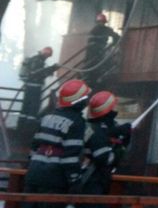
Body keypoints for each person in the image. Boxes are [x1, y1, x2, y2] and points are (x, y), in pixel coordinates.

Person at [23, 79, 91, 207]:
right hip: (55, 178)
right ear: (79, 101)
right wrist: (75, 180)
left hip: (34, 174)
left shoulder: (46, 117)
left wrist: (31, 169)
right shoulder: (77, 122)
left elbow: (34, 148)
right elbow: (70, 157)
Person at [80, 91, 131, 205]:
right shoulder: (94, 130)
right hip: (91, 180)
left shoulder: (97, 128)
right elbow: (105, 158)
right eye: (112, 108)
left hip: (98, 179)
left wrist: (123, 137)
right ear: (107, 111)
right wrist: (121, 149)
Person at [18, 47, 59, 124]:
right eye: (48, 56)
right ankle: (30, 126)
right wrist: (53, 68)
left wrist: (51, 69)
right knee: (34, 106)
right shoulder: (38, 60)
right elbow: (39, 73)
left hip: (29, 85)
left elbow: (38, 72)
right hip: (35, 86)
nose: (47, 58)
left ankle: (21, 124)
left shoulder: (34, 58)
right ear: (45, 54)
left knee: (26, 106)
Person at [83, 13, 120, 88]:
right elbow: (90, 39)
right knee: (89, 63)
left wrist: (114, 42)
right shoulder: (94, 30)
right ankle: (87, 75)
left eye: (102, 22)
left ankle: (95, 74)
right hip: (93, 50)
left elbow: (116, 36)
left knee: (104, 61)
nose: (101, 23)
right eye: (100, 22)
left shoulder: (107, 29)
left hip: (101, 49)